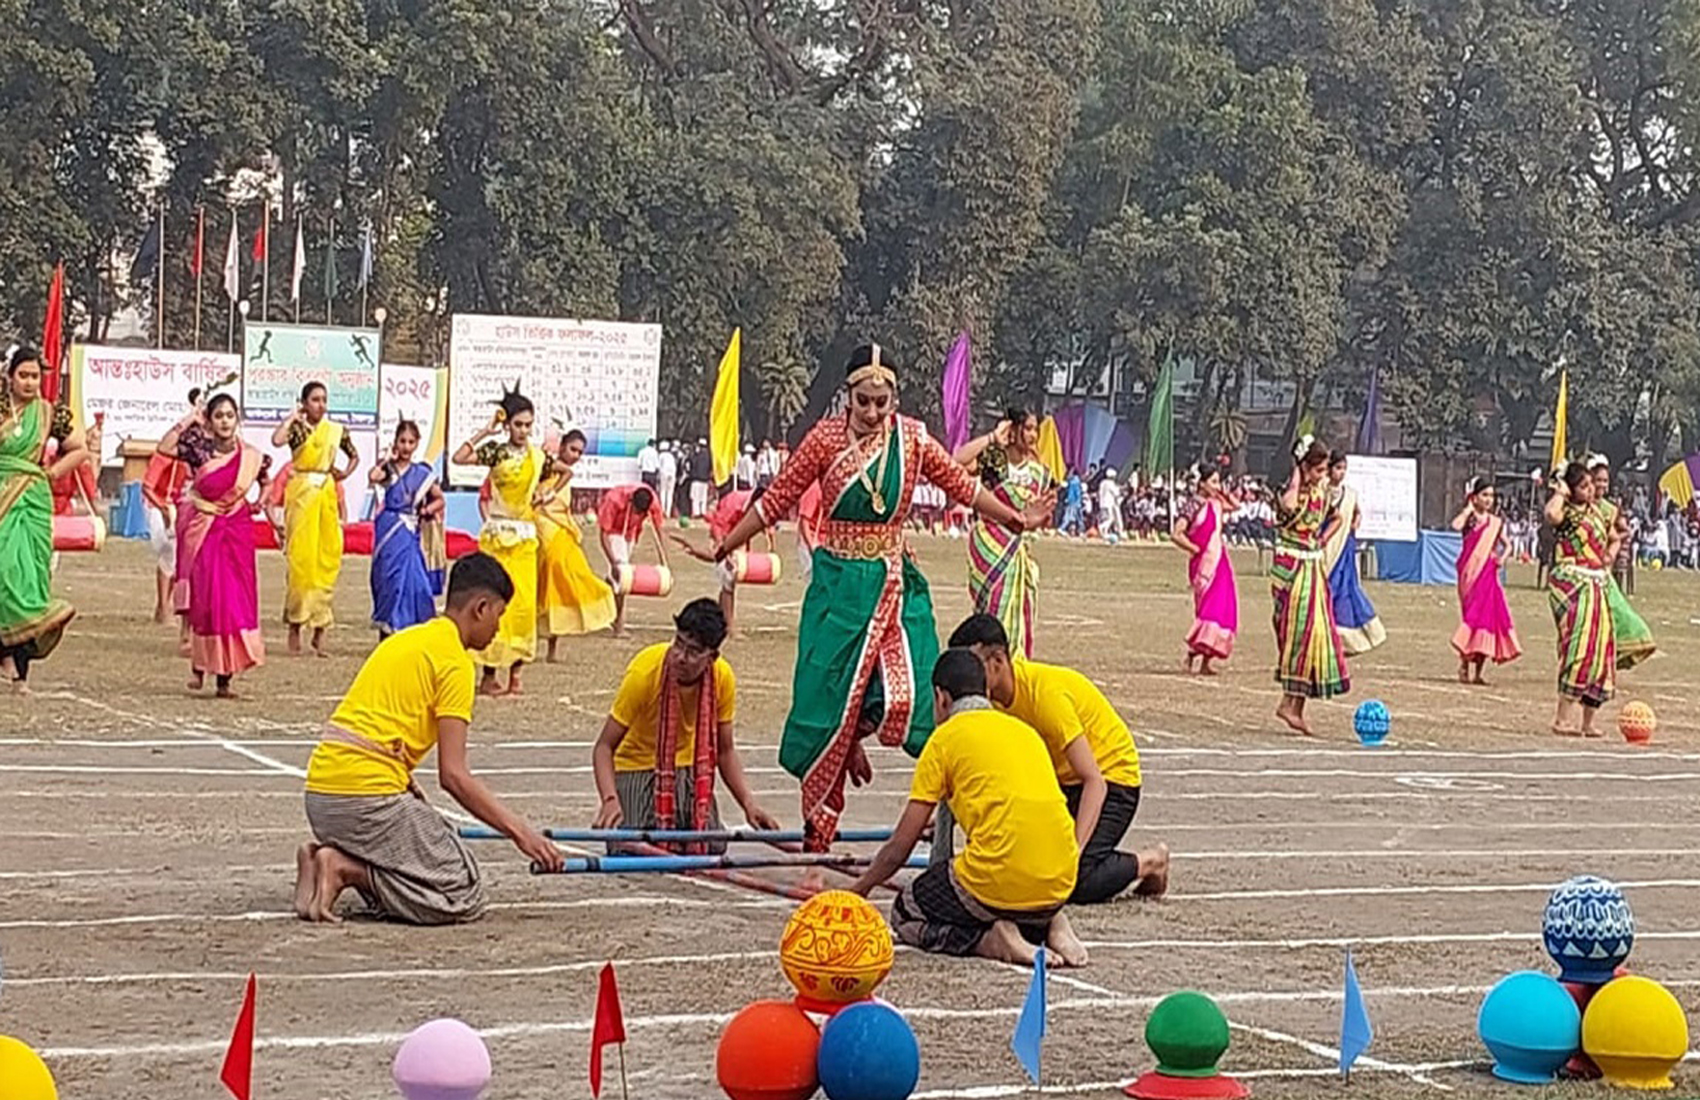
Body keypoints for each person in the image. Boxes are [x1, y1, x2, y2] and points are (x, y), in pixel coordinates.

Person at [712, 343, 1049, 848]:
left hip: (894, 580)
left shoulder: (912, 439)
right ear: (847, 397)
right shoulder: (825, 439)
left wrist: (1016, 518)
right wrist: (725, 544)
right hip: (839, 586)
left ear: (895, 398)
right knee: (825, 703)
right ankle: (821, 819)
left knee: (916, 691)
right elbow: (778, 498)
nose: (872, 412)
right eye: (863, 401)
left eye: (881, 402)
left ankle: (949, 806)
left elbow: (960, 484)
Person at [296, 552, 564, 923]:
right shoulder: (453, 663)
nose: (498, 631)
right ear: (481, 608)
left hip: (321, 798)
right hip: (363, 799)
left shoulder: (406, 640)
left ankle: (321, 858)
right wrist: (523, 835)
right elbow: (453, 775)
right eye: (499, 618)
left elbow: (374, 726)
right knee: (462, 888)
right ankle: (344, 868)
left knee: (433, 847)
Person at [849, 648, 1087, 967]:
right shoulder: (1023, 731)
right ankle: (1052, 924)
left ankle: (989, 941)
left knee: (907, 910)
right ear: (986, 692)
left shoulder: (944, 740)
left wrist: (861, 887)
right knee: (1009, 885)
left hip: (1000, 883)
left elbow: (900, 846)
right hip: (1060, 883)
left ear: (940, 698)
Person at [949, 614, 1169, 904]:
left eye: (973, 667)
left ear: (998, 661)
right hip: (1063, 784)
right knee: (1031, 872)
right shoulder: (990, 704)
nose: (966, 677)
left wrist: (1072, 853)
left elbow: (1095, 781)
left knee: (1074, 882)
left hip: (1112, 779)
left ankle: (1150, 861)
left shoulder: (1045, 697)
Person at [590, 598, 779, 847]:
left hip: (688, 769)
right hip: (635, 766)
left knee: (711, 845)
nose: (680, 657)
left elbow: (725, 751)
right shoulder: (645, 672)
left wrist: (748, 804)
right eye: (678, 644)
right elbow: (603, 747)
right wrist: (610, 799)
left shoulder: (722, 678)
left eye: (693, 652)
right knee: (631, 848)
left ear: (712, 656)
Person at [158, 393, 268, 698]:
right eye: (218, 416)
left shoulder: (250, 456)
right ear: (209, 420)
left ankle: (225, 679)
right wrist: (189, 419)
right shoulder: (199, 449)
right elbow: (164, 447)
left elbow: (265, 478)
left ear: (237, 420)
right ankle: (199, 666)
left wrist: (261, 500)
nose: (224, 421)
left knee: (233, 603)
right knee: (208, 600)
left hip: (237, 530)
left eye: (229, 416)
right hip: (204, 528)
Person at [452, 385, 553, 696]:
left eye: (527, 425)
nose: (523, 430)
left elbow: (563, 471)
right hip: (497, 536)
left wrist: (545, 492)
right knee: (493, 601)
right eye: (517, 424)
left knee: (522, 606)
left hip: (523, 538)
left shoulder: (537, 457)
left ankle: (517, 675)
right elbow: (460, 457)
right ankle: (489, 673)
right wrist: (486, 430)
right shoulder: (496, 451)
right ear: (507, 423)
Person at [0, 346, 86, 692]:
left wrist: (52, 472)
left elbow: (79, 449)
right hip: (3, 494)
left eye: (35, 376)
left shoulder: (51, 413)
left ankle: (20, 672)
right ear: (9, 376)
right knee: (4, 574)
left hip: (32, 501)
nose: (30, 382)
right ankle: (4, 653)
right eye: (23, 375)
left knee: (29, 578)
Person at [953, 408, 1054, 658]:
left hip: (1019, 552)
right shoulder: (995, 461)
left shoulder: (1039, 473)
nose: (1032, 435)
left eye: (1035, 429)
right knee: (992, 609)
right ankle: (985, 661)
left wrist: (1035, 520)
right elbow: (955, 462)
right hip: (990, 548)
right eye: (1028, 428)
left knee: (1019, 613)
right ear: (1014, 429)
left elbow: (1044, 515)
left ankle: (1014, 664)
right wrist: (991, 438)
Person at [272, 381, 359, 657]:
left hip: (325, 497)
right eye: (315, 400)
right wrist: (290, 419)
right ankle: (296, 626)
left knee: (326, 562)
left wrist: (343, 473)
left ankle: (320, 630)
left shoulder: (335, 431)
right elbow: (277, 440)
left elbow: (353, 456)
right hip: (301, 497)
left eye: (324, 399)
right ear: (304, 403)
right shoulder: (297, 429)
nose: (320, 405)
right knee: (301, 563)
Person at [1272, 438, 1350, 735]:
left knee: (1318, 637)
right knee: (1299, 636)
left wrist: (1322, 540)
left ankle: (1294, 705)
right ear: (1305, 468)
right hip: (1291, 570)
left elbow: (1337, 518)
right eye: (1316, 470)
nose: (1322, 476)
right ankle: (1289, 703)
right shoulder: (1290, 493)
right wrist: (1296, 473)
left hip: (1313, 568)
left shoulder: (1322, 493)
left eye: (1323, 470)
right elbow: (1289, 507)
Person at [1545, 462, 1615, 737]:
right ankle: (1562, 718)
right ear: (1572, 489)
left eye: (1592, 485)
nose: (1591, 490)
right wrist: (1560, 492)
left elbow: (1613, 536)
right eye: (1584, 486)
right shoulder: (1567, 515)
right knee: (1580, 646)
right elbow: (1551, 514)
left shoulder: (1596, 512)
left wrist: (1608, 556)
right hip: (1574, 582)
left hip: (1598, 582)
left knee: (1602, 651)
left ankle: (1589, 720)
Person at [536, 429, 617, 660]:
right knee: (549, 578)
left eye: (580, 452)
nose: (575, 455)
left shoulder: (561, 472)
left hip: (562, 530)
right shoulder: (546, 464)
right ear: (561, 446)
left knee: (564, 581)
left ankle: (552, 649)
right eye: (572, 449)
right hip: (542, 527)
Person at [369, 420, 445, 637]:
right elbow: (373, 477)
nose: (406, 446)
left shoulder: (422, 473)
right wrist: (385, 459)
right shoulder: (388, 469)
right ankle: (388, 629)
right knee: (388, 579)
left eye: (411, 442)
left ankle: (411, 627)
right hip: (389, 529)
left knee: (414, 580)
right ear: (395, 442)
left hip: (410, 531)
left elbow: (439, 499)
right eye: (402, 441)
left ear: (417, 444)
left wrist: (426, 511)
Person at [671, 485, 774, 633]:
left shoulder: (761, 504)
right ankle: (730, 627)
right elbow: (718, 528)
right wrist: (726, 552)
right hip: (722, 530)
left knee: (729, 575)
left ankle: (723, 622)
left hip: (738, 532)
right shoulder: (734, 503)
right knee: (728, 576)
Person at [1450, 477, 1522, 683]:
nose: (1489, 499)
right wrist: (1466, 509)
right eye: (1485, 495)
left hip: (1488, 575)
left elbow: (1507, 545)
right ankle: (1464, 666)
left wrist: (1502, 558)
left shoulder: (1496, 522)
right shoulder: (1470, 519)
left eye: (1492, 495)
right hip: (1469, 574)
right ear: (1475, 497)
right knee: (1471, 618)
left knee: (1487, 619)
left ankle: (1479, 673)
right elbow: (1456, 526)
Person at [1588, 456, 1655, 670]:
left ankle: (1616, 651)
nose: (1601, 485)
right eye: (1597, 480)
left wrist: (1611, 551)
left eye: (1605, 481)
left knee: (1617, 610)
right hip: (1581, 568)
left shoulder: (1610, 509)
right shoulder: (1580, 505)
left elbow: (1623, 530)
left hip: (1602, 569)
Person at [1172, 463, 1239, 674]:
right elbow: (1176, 533)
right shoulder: (1193, 505)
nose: (1216, 486)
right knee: (1207, 610)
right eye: (1213, 481)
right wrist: (1194, 549)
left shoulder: (1217, 503)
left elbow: (1235, 505)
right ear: (1201, 483)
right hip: (1203, 564)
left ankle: (1206, 661)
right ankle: (1193, 652)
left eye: (1218, 481)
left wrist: (1222, 491)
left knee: (1222, 609)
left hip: (1220, 562)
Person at [141, 389, 198, 624]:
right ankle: (164, 607)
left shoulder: (193, 458)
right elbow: (147, 488)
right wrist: (163, 510)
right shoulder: (165, 457)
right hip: (156, 505)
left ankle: (163, 605)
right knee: (169, 552)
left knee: (180, 555)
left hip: (178, 508)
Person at [1323, 451, 1386, 655]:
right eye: (1337, 468)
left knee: (1344, 591)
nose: (1341, 473)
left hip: (1343, 549)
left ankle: (1347, 640)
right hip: (1325, 548)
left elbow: (1357, 512)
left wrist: (1353, 525)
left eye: (1344, 469)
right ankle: (1325, 636)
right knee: (1325, 591)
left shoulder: (1349, 494)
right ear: (1329, 468)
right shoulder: (1321, 491)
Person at [597, 483, 670, 636]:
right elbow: (603, 534)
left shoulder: (653, 502)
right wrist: (613, 562)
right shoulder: (614, 499)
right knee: (623, 578)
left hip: (631, 532)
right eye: (636, 512)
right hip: (614, 532)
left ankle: (602, 601)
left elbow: (659, 530)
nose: (638, 515)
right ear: (631, 502)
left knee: (615, 579)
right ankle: (619, 626)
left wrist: (664, 559)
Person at [1098, 468, 1124, 542]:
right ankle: (1102, 527)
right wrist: (1121, 490)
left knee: (1106, 518)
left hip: (1102, 503)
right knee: (1110, 518)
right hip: (1109, 503)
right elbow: (1116, 493)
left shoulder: (1102, 483)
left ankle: (1105, 533)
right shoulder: (1110, 483)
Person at [689, 438, 712, 517]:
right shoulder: (709, 455)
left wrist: (694, 453)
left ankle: (696, 512)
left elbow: (692, 463)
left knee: (695, 497)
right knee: (703, 498)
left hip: (696, 479)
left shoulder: (696, 455)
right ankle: (703, 511)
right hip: (705, 479)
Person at [657, 440, 678, 518]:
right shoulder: (671, 456)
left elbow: (658, 466)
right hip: (672, 474)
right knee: (670, 493)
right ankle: (668, 512)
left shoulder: (661, 455)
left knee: (663, 492)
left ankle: (662, 511)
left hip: (664, 474)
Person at [1061, 470, 1084, 535]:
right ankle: (1080, 531)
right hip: (1077, 502)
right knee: (1078, 518)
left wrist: (1068, 500)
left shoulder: (1072, 482)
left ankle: (1062, 528)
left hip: (1072, 502)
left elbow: (1071, 493)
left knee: (1068, 516)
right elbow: (1078, 493)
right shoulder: (1077, 482)